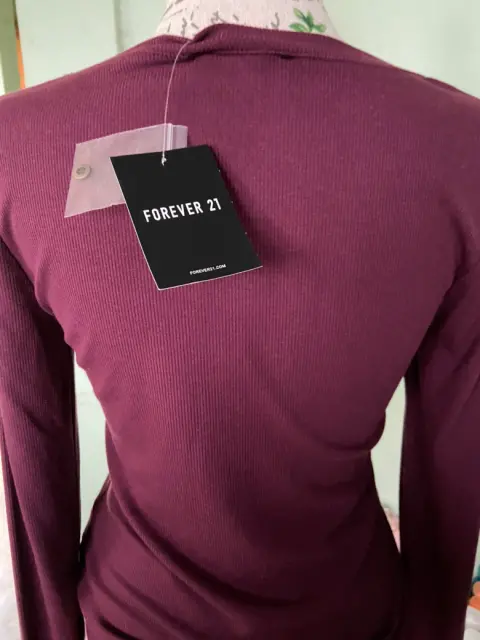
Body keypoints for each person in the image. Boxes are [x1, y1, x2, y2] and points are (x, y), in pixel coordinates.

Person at [0, 1, 479, 638]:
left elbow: (28, 433)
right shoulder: (461, 142)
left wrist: (51, 629)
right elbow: (455, 445)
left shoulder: (16, 140)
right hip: (348, 609)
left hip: (137, 612)